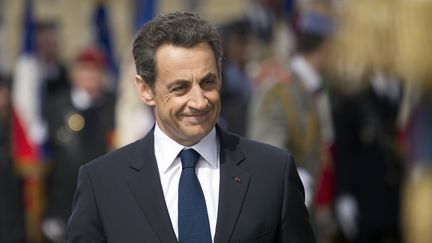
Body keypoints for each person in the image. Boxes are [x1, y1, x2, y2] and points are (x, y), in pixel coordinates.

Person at [66, 12, 315, 243]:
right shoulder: (101, 184)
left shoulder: (273, 172)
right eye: (179, 87)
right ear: (145, 90)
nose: (199, 101)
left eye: (208, 82)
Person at [43, 47, 115, 242]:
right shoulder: (57, 106)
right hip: (65, 203)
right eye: (85, 70)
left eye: (96, 70)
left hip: (105, 201)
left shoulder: (113, 105)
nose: (91, 76)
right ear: (74, 73)